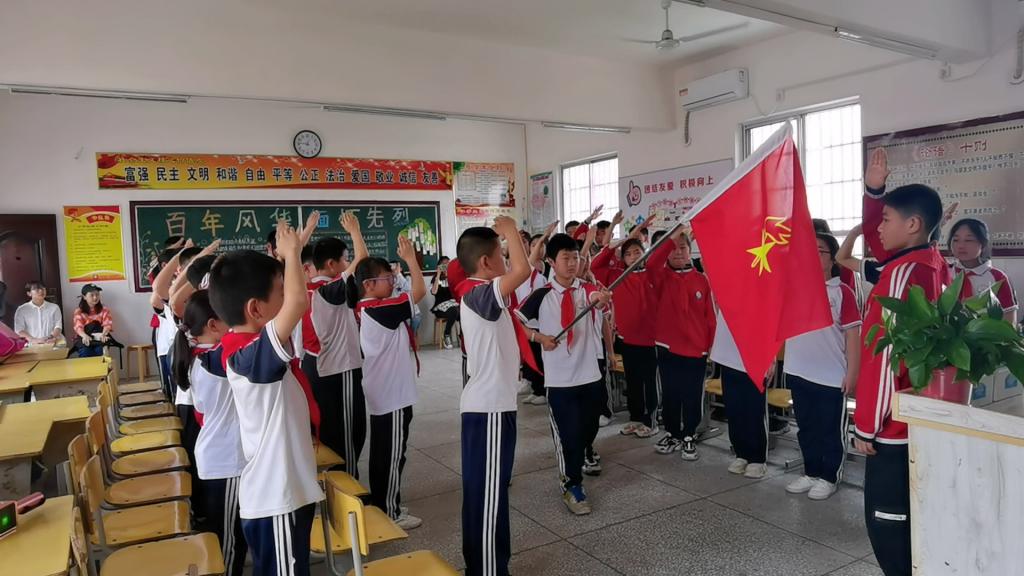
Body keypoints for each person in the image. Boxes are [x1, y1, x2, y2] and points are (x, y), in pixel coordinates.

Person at [854, 148, 951, 576]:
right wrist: (874, 192)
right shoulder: (933, 264)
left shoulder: (900, 276)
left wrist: (866, 425)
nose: (878, 227)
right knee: (915, 523)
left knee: (889, 527)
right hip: (922, 418)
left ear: (912, 225)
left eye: (886, 218)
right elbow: (881, 242)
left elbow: (885, 357)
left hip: (892, 428)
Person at [208, 221, 323, 576]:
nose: (287, 296)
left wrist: (289, 257)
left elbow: (292, 301)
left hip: (284, 494)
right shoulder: (250, 357)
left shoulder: (250, 350)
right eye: (280, 292)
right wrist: (292, 254)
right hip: (277, 500)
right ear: (256, 309)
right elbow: (299, 302)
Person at [456, 216, 533, 576]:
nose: (506, 260)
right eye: (501, 254)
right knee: (487, 499)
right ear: (486, 262)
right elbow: (524, 270)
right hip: (488, 411)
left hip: (494, 408)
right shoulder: (479, 294)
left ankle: (490, 565)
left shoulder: (483, 297)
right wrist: (510, 230)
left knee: (490, 494)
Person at [517, 233, 611, 516]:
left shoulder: (587, 289)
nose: (572, 263)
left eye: (576, 257)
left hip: (590, 376)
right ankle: (572, 484)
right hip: (560, 381)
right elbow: (518, 323)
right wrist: (539, 338)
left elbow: (598, 299)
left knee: (589, 429)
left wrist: (601, 298)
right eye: (566, 258)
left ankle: (581, 455)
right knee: (568, 435)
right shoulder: (541, 295)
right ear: (550, 261)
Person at [348, 236, 426, 530]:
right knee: (391, 454)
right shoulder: (378, 309)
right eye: (388, 278)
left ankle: (384, 501)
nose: (393, 282)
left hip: (388, 391)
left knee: (386, 451)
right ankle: (389, 511)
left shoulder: (371, 307)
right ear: (369, 284)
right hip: (391, 394)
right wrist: (411, 260)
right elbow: (419, 291)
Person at [170, 290, 247, 576]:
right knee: (227, 543)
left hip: (218, 455)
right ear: (213, 325)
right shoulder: (215, 358)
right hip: (226, 460)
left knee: (228, 535)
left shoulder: (197, 356)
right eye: (231, 317)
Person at [784, 233, 861, 501]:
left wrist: (852, 373)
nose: (812, 255)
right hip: (798, 371)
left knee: (830, 430)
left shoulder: (842, 292)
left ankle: (829, 477)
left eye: (820, 251)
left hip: (830, 375)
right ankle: (811, 472)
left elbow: (853, 336)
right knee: (806, 427)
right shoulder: (794, 289)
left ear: (832, 259)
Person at [302, 213, 368, 479]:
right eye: (345, 259)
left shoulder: (304, 289)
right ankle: (350, 493)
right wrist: (355, 230)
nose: (348, 263)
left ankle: (333, 487)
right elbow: (363, 261)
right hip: (338, 370)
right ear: (331, 264)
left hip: (316, 366)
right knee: (348, 434)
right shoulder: (327, 291)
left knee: (328, 434)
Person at [648, 227, 716, 461]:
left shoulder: (701, 280)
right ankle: (673, 433)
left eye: (683, 248)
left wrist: (711, 345)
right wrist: (671, 239)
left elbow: (710, 317)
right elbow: (652, 263)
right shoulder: (661, 276)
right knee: (670, 393)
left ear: (690, 251)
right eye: (674, 248)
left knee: (692, 394)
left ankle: (689, 434)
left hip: (696, 349)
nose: (678, 252)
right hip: (667, 347)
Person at [592, 226, 659, 439]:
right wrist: (617, 244)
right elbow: (595, 266)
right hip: (627, 339)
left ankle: (651, 421)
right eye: (628, 254)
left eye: (637, 252)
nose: (633, 257)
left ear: (644, 252)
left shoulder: (653, 273)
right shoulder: (617, 276)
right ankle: (636, 418)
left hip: (651, 340)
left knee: (649, 383)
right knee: (633, 382)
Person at [710, 313, 770, 479]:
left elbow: (770, 317)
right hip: (728, 352)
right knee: (734, 407)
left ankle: (757, 458)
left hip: (755, 353)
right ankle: (741, 453)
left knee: (754, 409)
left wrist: (770, 355)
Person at [516, 223, 558, 405]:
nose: (537, 249)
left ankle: (543, 390)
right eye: (533, 245)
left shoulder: (550, 268)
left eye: (541, 245)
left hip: (544, 321)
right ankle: (536, 388)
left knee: (541, 358)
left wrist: (545, 237)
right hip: (528, 320)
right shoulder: (527, 269)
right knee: (531, 357)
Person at [948, 218, 1017, 323]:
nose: (961, 246)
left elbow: (1009, 319)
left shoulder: (998, 277)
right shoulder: (944, 272)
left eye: (968, 240)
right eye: (956, 240)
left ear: (983, 243)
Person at [72, 284, 115, 358]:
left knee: (100, 350)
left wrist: (104, 334)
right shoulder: (79, 311)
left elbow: (107, 324)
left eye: (97, 294)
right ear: (84, 297)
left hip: (100, 337)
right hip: (84, 337)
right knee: (85, 351)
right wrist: (84, 335)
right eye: (92, 295)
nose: (95, 297)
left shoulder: (104, 309)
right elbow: (78, 327)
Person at [430, 256, 460, 349]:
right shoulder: (435, 279)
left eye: (448, 264)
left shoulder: (452, 277)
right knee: (454, 311)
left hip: (453, 304)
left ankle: (463, 335)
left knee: (462, 311)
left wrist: (449, 275)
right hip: (440, 307)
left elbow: (457, 291)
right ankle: (446, 334)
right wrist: (438, 275)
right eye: (444, 265)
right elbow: (433, 292)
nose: (446, 266)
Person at [390, 260, 422, 335]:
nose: (393, 268)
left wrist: (399, 274)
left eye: (396, 266)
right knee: (405, 331)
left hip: (413, 312)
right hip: (399, 312)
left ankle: (412, 337)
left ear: (400, 268)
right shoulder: (388, 281)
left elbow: (409, 289)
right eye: (391, 266)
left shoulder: (407, 278)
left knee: (414, 330)